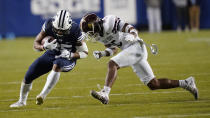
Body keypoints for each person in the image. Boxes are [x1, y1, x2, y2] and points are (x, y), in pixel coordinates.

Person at [80, 13, 198, 104]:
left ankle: (105, 93)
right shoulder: (100, 36)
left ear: (96, 25)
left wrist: (133, 35)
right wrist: (102, 54)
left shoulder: (110, 21)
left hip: (136, 47)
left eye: (90, 32)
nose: (91, 36)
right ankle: (187, 83)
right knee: (153, 84)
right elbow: (114, 49)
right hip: (130, 51)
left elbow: (131, 28)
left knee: (112, 64)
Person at [10, 10, 88, 108]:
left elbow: (85, 53)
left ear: (69, 26)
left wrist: (70, 55)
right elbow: (35, 44)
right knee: (29, 75)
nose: (59, 32)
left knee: (58, 64)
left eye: (62, 30)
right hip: (51, 53)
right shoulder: (49, 24)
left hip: (67, 58)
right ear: (54, 24)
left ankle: (42, 95)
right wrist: (44, 47)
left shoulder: (75, 30)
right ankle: (21, 101)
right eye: (57, 29)